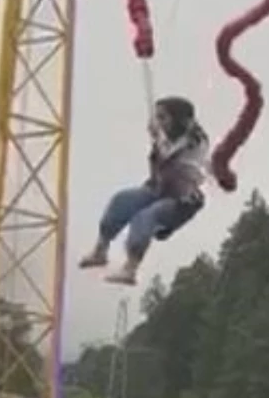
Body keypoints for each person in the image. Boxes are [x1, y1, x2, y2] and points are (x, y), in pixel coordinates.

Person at [79, 96, 209, 287]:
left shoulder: (195, 141)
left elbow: (175, 154)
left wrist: (158, 138)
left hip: (182, 199)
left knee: (145, 218)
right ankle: (101, 250)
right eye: (158, 118)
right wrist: (157, 136)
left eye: (164, 118)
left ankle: (130, 268)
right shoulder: (166, 136)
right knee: (121, 201)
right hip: (159, 189)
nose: (160, 124)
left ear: (180, 121)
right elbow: (160, 156)